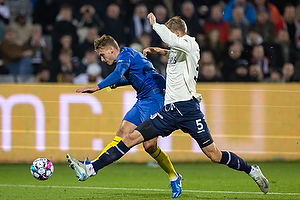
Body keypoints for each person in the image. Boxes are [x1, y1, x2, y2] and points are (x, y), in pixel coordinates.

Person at [67, 13, 269, 197]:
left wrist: (155, 25)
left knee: (214, 155)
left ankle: (252, 171)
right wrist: (160, 51)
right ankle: (91, 169)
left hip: (188, 109)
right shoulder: (177, 52)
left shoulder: (191, 43)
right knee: (130, 138)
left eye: (169, 37)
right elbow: (170, 55)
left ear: (177, 33)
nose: (168, 42)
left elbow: (177, 45)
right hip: (169, 111)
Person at [68, 34, 182, 198]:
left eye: (102, 54)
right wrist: (118, 83)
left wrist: (97, 87)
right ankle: (92, 166)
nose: (101, 59)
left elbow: (117, 73)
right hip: (143, 99)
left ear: (111, 49)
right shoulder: (129, 55)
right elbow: (135, 76)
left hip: (155, 98)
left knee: (150, 146)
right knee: (122, 133)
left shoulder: (125, 55)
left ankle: (174, 176)